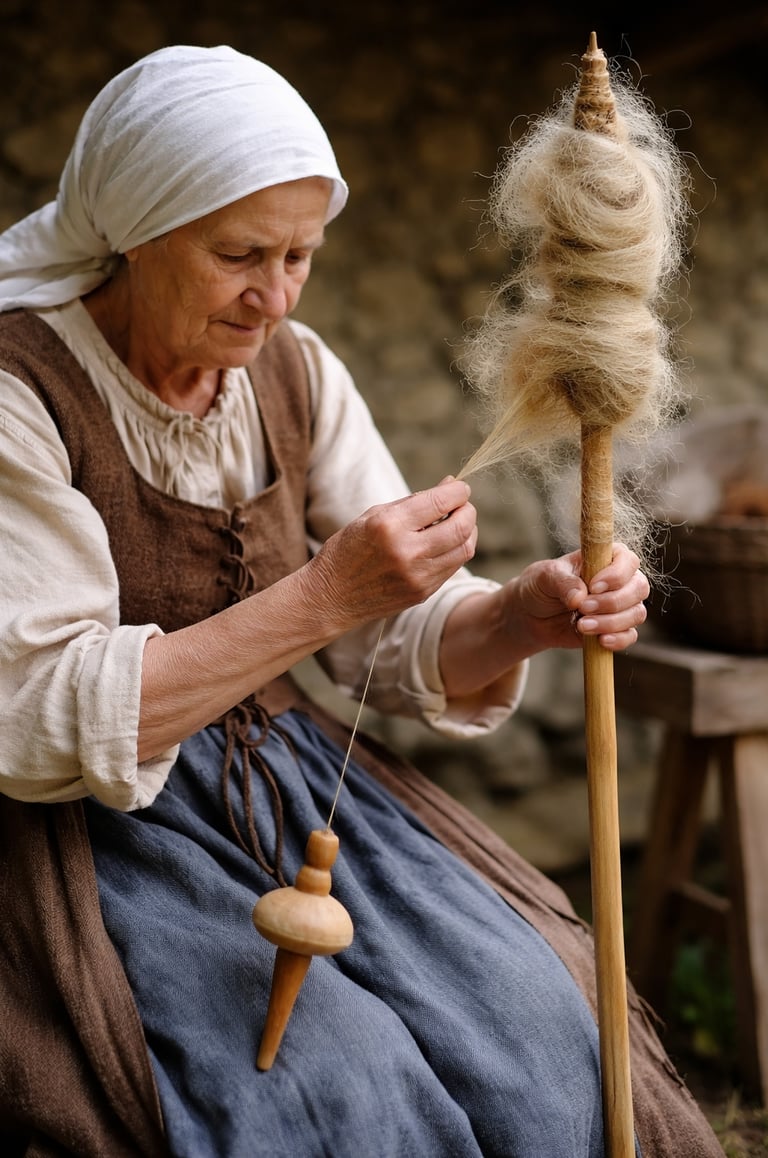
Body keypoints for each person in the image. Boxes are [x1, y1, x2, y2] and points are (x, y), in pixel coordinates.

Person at [0, 44, 721, 1158]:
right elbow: (41, 713)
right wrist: (330, 592)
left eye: (300, 255)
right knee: (333, 1089)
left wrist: (521, 614)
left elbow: (390, 636)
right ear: (133, 229)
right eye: (239, 253)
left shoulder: (296, 370)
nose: (275, 294)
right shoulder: (22, 394)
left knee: (540, 1029)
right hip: (93, 827)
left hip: (292, 789)